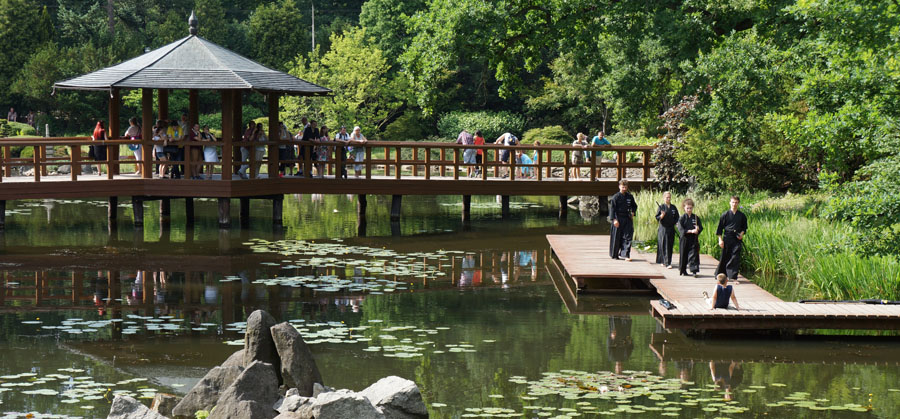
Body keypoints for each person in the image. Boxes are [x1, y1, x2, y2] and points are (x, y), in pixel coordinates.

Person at [715, 195, 748, 280]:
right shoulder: (725, 214)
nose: (734, 204)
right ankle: (721, 274)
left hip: (737, 238)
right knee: (725, 256)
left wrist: (741, 234)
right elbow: (719, 228)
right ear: (730, 203)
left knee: (735, 256)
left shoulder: (742, 215)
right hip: (727, 237)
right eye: (733, 202)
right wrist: (720, 240)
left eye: (736, 202)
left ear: (738, 203)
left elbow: (744, 228)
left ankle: (732, 276)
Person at [608, 179, 637, 261]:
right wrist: (614, 220)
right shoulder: (616, 197)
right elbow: (612, 209)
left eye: (625, 187)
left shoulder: (630, 196)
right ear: (619, 187)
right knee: (616, 237)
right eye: (622, 187)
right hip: (618, 218)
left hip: (627, 218)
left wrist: (633, 212)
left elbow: (634, 206)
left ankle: (625, 254)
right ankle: (614, 255)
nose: (624, 189)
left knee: (628, 237)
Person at [676, 198, 703, 276]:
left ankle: (694, 271)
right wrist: (691, 231)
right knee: (683, 254)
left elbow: (700, 228)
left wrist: (697, 229)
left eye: (690, 208)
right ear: (684, 208)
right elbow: (681, 229)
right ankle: (683, 270)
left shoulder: (696, 217)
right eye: (687, 208)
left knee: (694, 254)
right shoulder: (682, 218)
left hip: (693, 239)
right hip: (684, 239)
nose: (689, 210)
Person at [655, 191, 679, 268]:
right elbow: (657, 217)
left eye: (669, 197)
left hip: (671, 228)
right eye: (667, 197)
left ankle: (668, 261)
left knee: (670, 245)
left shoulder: (673, 207)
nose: (668, 199)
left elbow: (677, 217)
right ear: (664, 198)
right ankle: (665, 262)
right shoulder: (661, 207)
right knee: (663, 244)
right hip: (663, 228)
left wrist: (677, 223)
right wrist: (661, 216)